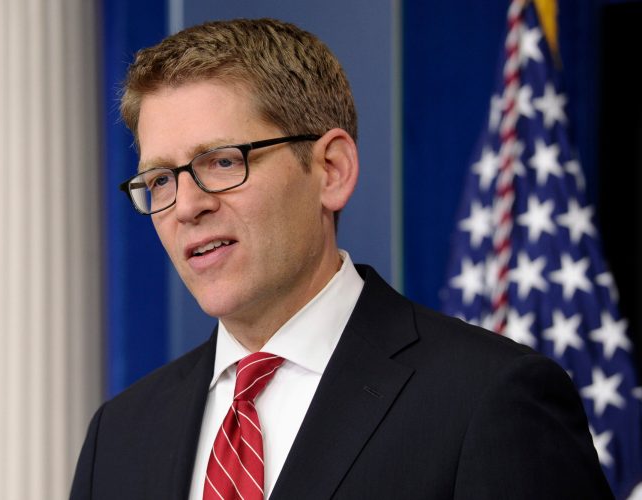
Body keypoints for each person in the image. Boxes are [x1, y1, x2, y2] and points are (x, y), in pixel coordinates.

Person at [70, 18, 612, 500]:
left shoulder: (487, 401)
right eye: (160, 179)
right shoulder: (118, 437)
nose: (186, 206)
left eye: (221, 162)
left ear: (331, 170)